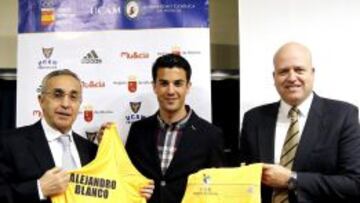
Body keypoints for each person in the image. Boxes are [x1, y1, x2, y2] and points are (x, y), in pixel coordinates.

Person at [0, 69, 153, 203]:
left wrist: (134, 190)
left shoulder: (92, 152)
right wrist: (39, 188)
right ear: (41, 101)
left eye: (73, 97)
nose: (66, 104)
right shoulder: (10, 143)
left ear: (79, 103)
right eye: (57, 95)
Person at [239, 42, 360, 203]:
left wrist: (292, 179)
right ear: (274, 77)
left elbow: (354, 183)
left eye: (299, 70)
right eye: (283, 71)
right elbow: (244, 178)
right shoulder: (253, 119)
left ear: (312, 73)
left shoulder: (343, 116)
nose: (291, 77)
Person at [125, 53, 224, 203]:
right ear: (154, 86)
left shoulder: (211, 135)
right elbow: (125, 178)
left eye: (178, 83)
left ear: (188, 87)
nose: (171, 91)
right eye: (164, 83)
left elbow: (218, 189)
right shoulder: (138, 130)